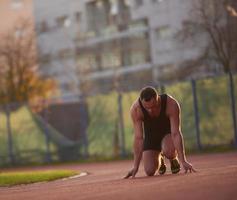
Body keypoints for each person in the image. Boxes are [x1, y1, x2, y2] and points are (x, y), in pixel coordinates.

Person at [124, 86, 196, 178]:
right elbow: (138, 138)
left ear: (157, 98)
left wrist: (183, 161)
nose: (150, 110)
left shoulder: (171, 104)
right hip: (151, 136)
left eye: (153, 106)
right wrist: (135, 167)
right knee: (149, 171)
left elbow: (176, 133)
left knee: (169, 152)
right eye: (147, 108)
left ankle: (173, 159)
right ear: (141, 102)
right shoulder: (136, 109)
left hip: (167, 134)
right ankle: (160, 157)